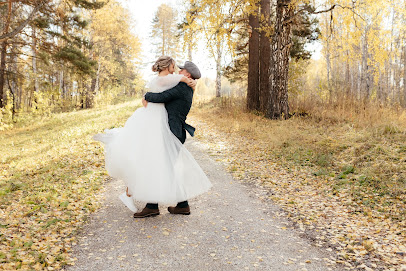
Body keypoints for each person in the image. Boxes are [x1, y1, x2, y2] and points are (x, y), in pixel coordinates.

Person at [93, 56, 212, 218]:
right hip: (172, 130)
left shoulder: (182, 88)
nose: (179, 70)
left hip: (172, 131)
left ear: (189, 75)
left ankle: (154, 206)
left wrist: (146, 95)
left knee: (159, 167)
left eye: (182, 70)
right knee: (164, 168)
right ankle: (178, 205)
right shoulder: (183, 85)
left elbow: (159, 97)